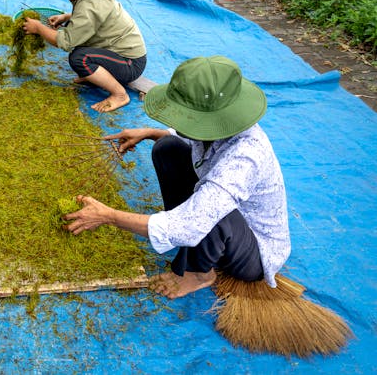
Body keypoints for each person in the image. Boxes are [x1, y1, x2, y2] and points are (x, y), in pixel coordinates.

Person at [63, 56, 291, 298]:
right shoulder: (219, 126)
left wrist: (107, 216)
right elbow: (189, 136)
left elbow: (195, 221)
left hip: (250, 249)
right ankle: (185, 235)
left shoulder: (245, 158)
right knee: (168, 147)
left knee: (214, 215)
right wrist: (150, 133)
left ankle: (200, 273)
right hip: (216, 214)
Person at [22, 0, 147, 113]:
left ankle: (119, 94)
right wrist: (67, 17)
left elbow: (64, 41)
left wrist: (38, 28)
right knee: (77, 38)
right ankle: (96, 76)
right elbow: (92, 18)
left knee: (78, 58)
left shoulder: (91, 5)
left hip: (130, 63)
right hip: (114, 51)